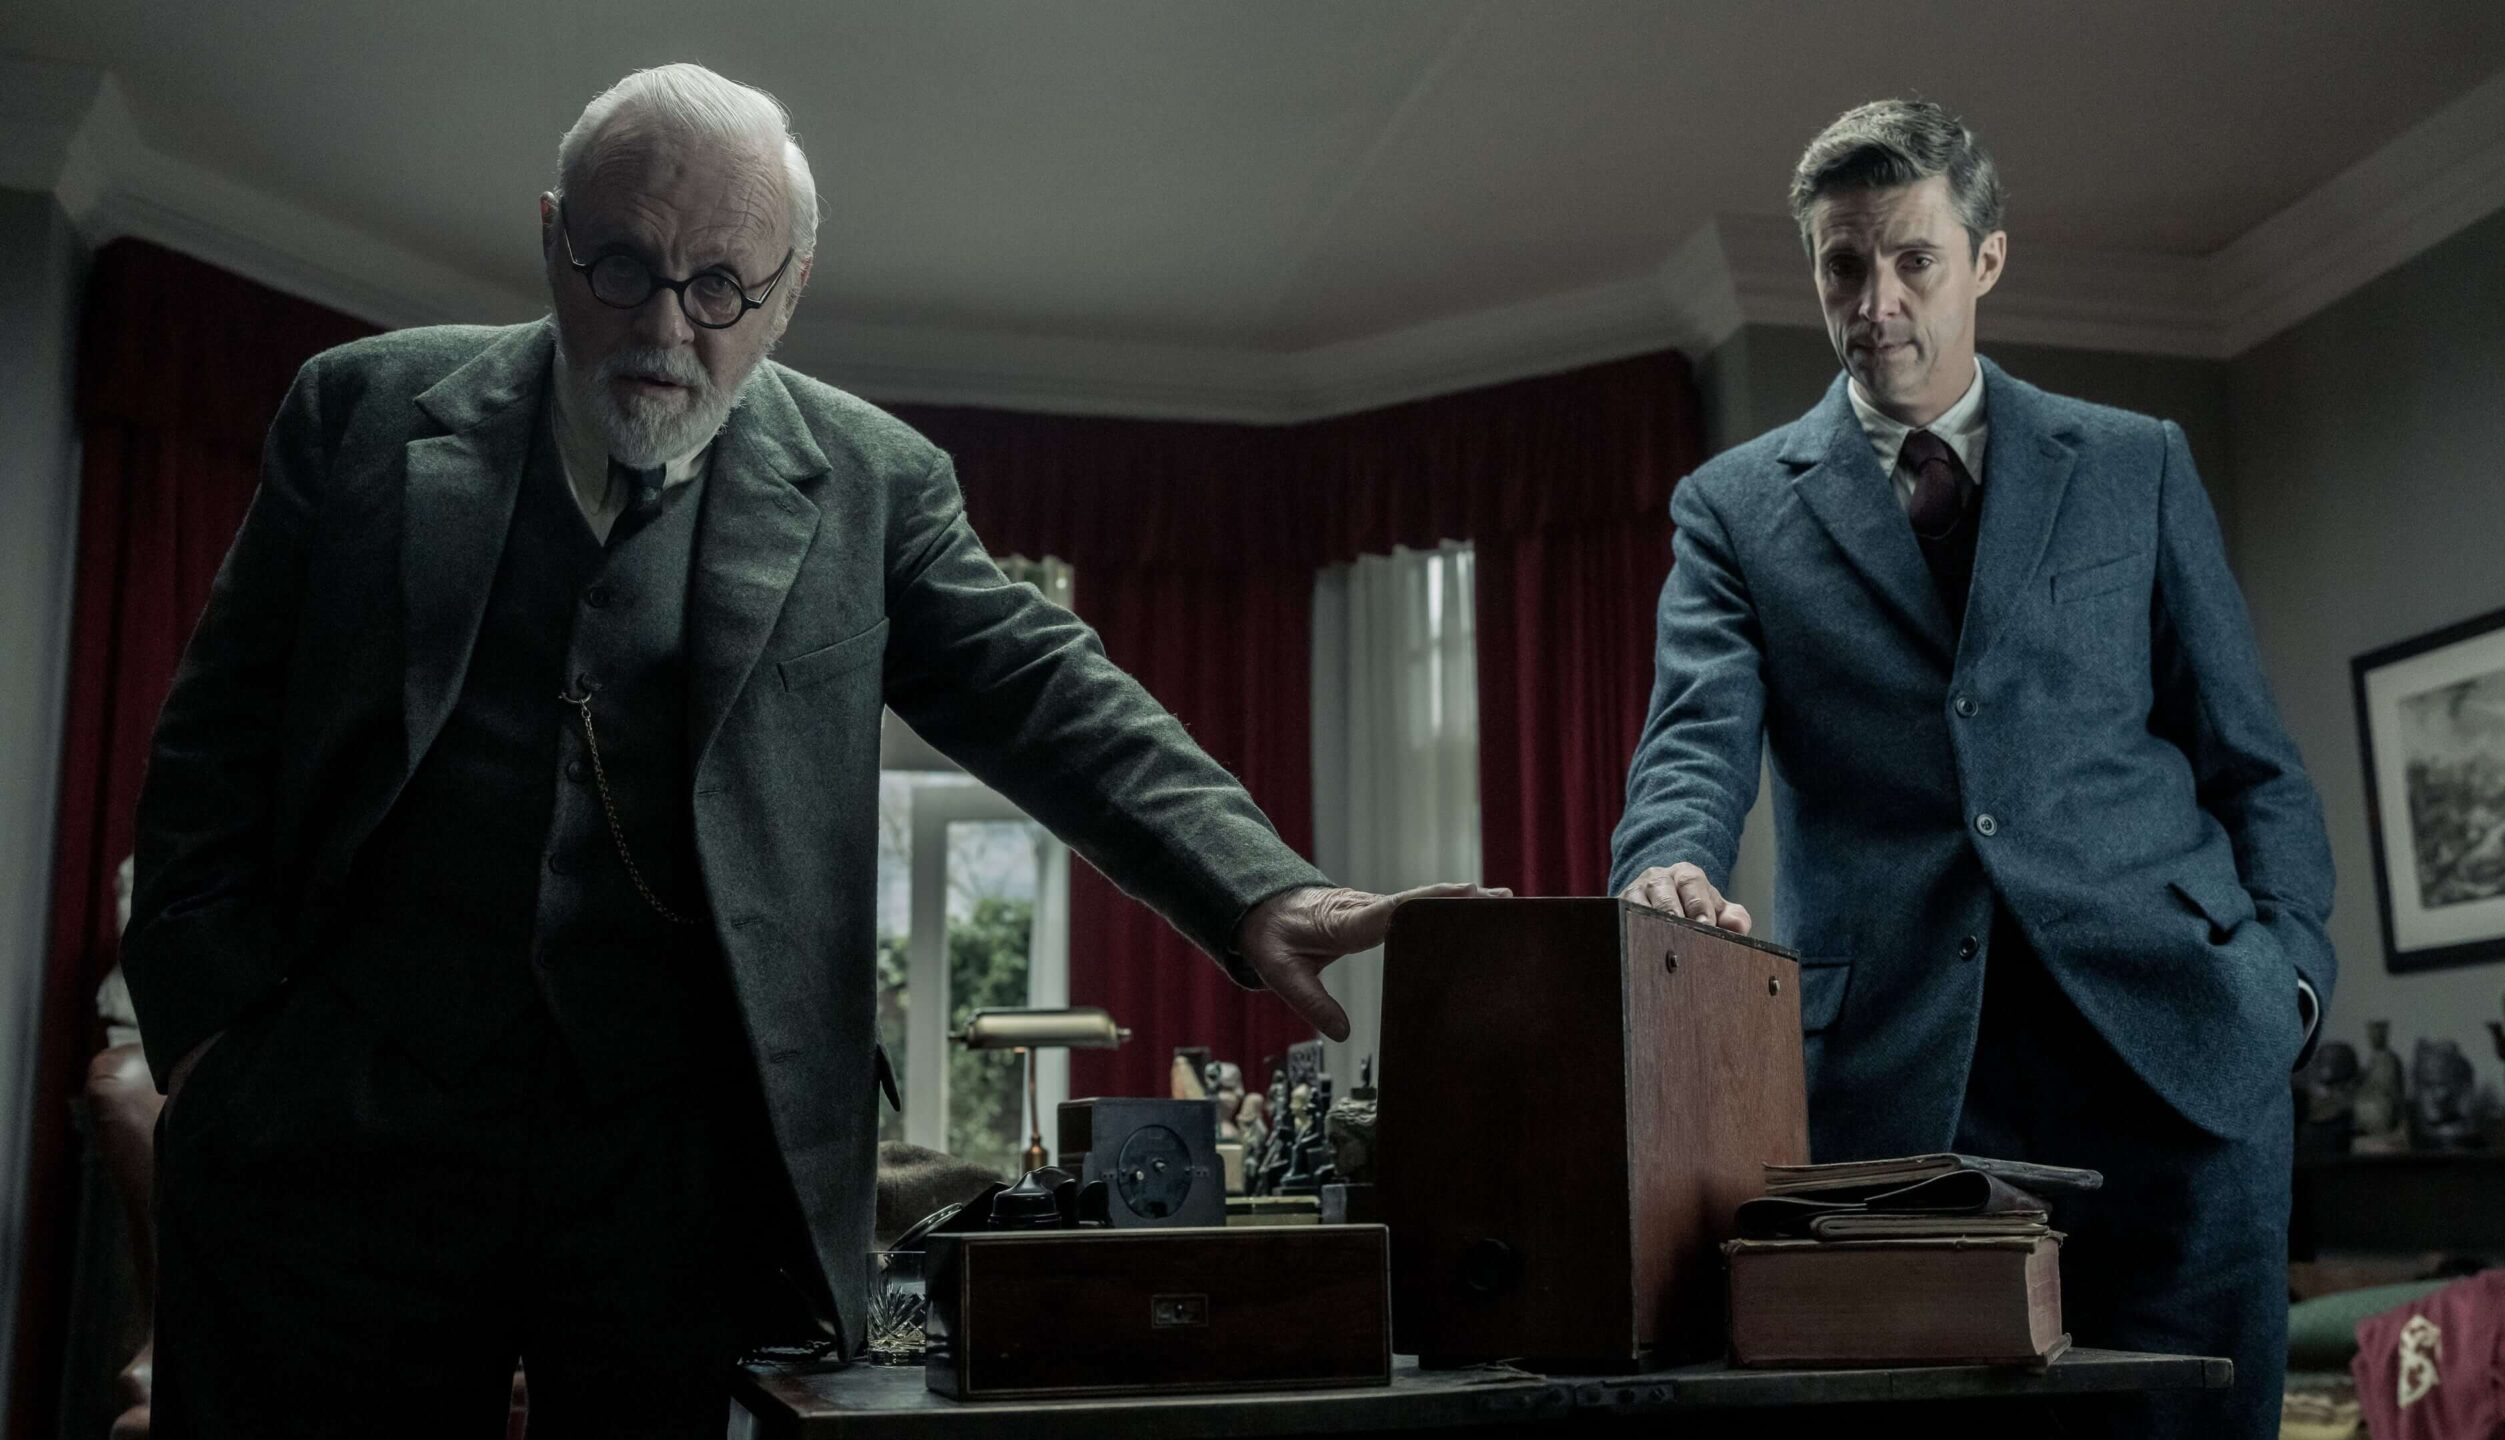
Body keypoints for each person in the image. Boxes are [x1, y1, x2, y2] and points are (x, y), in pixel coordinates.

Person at [125, 63, 1493, 1439]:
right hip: (337, 1147)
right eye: (623, 266)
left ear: (789, 291)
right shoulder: (358, 412)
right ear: (552, 237)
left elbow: (1046, 691)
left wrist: (1258, 889)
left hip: (681, 1181)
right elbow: (207, 753)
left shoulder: (874, 483)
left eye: (722, 285)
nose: (666, 325)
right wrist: (215, 1047)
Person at [1610, 99, 2333, 1439]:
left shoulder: (2135, 462)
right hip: (1900, 1094)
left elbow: (2251, 759)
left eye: (1913, 260)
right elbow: (1692, 740)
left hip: (2182, 1059)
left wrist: (2286, 983)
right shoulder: (1732, 510)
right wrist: (1667, 861)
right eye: (1842, 265)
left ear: (1986, 260)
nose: (1874, 303)